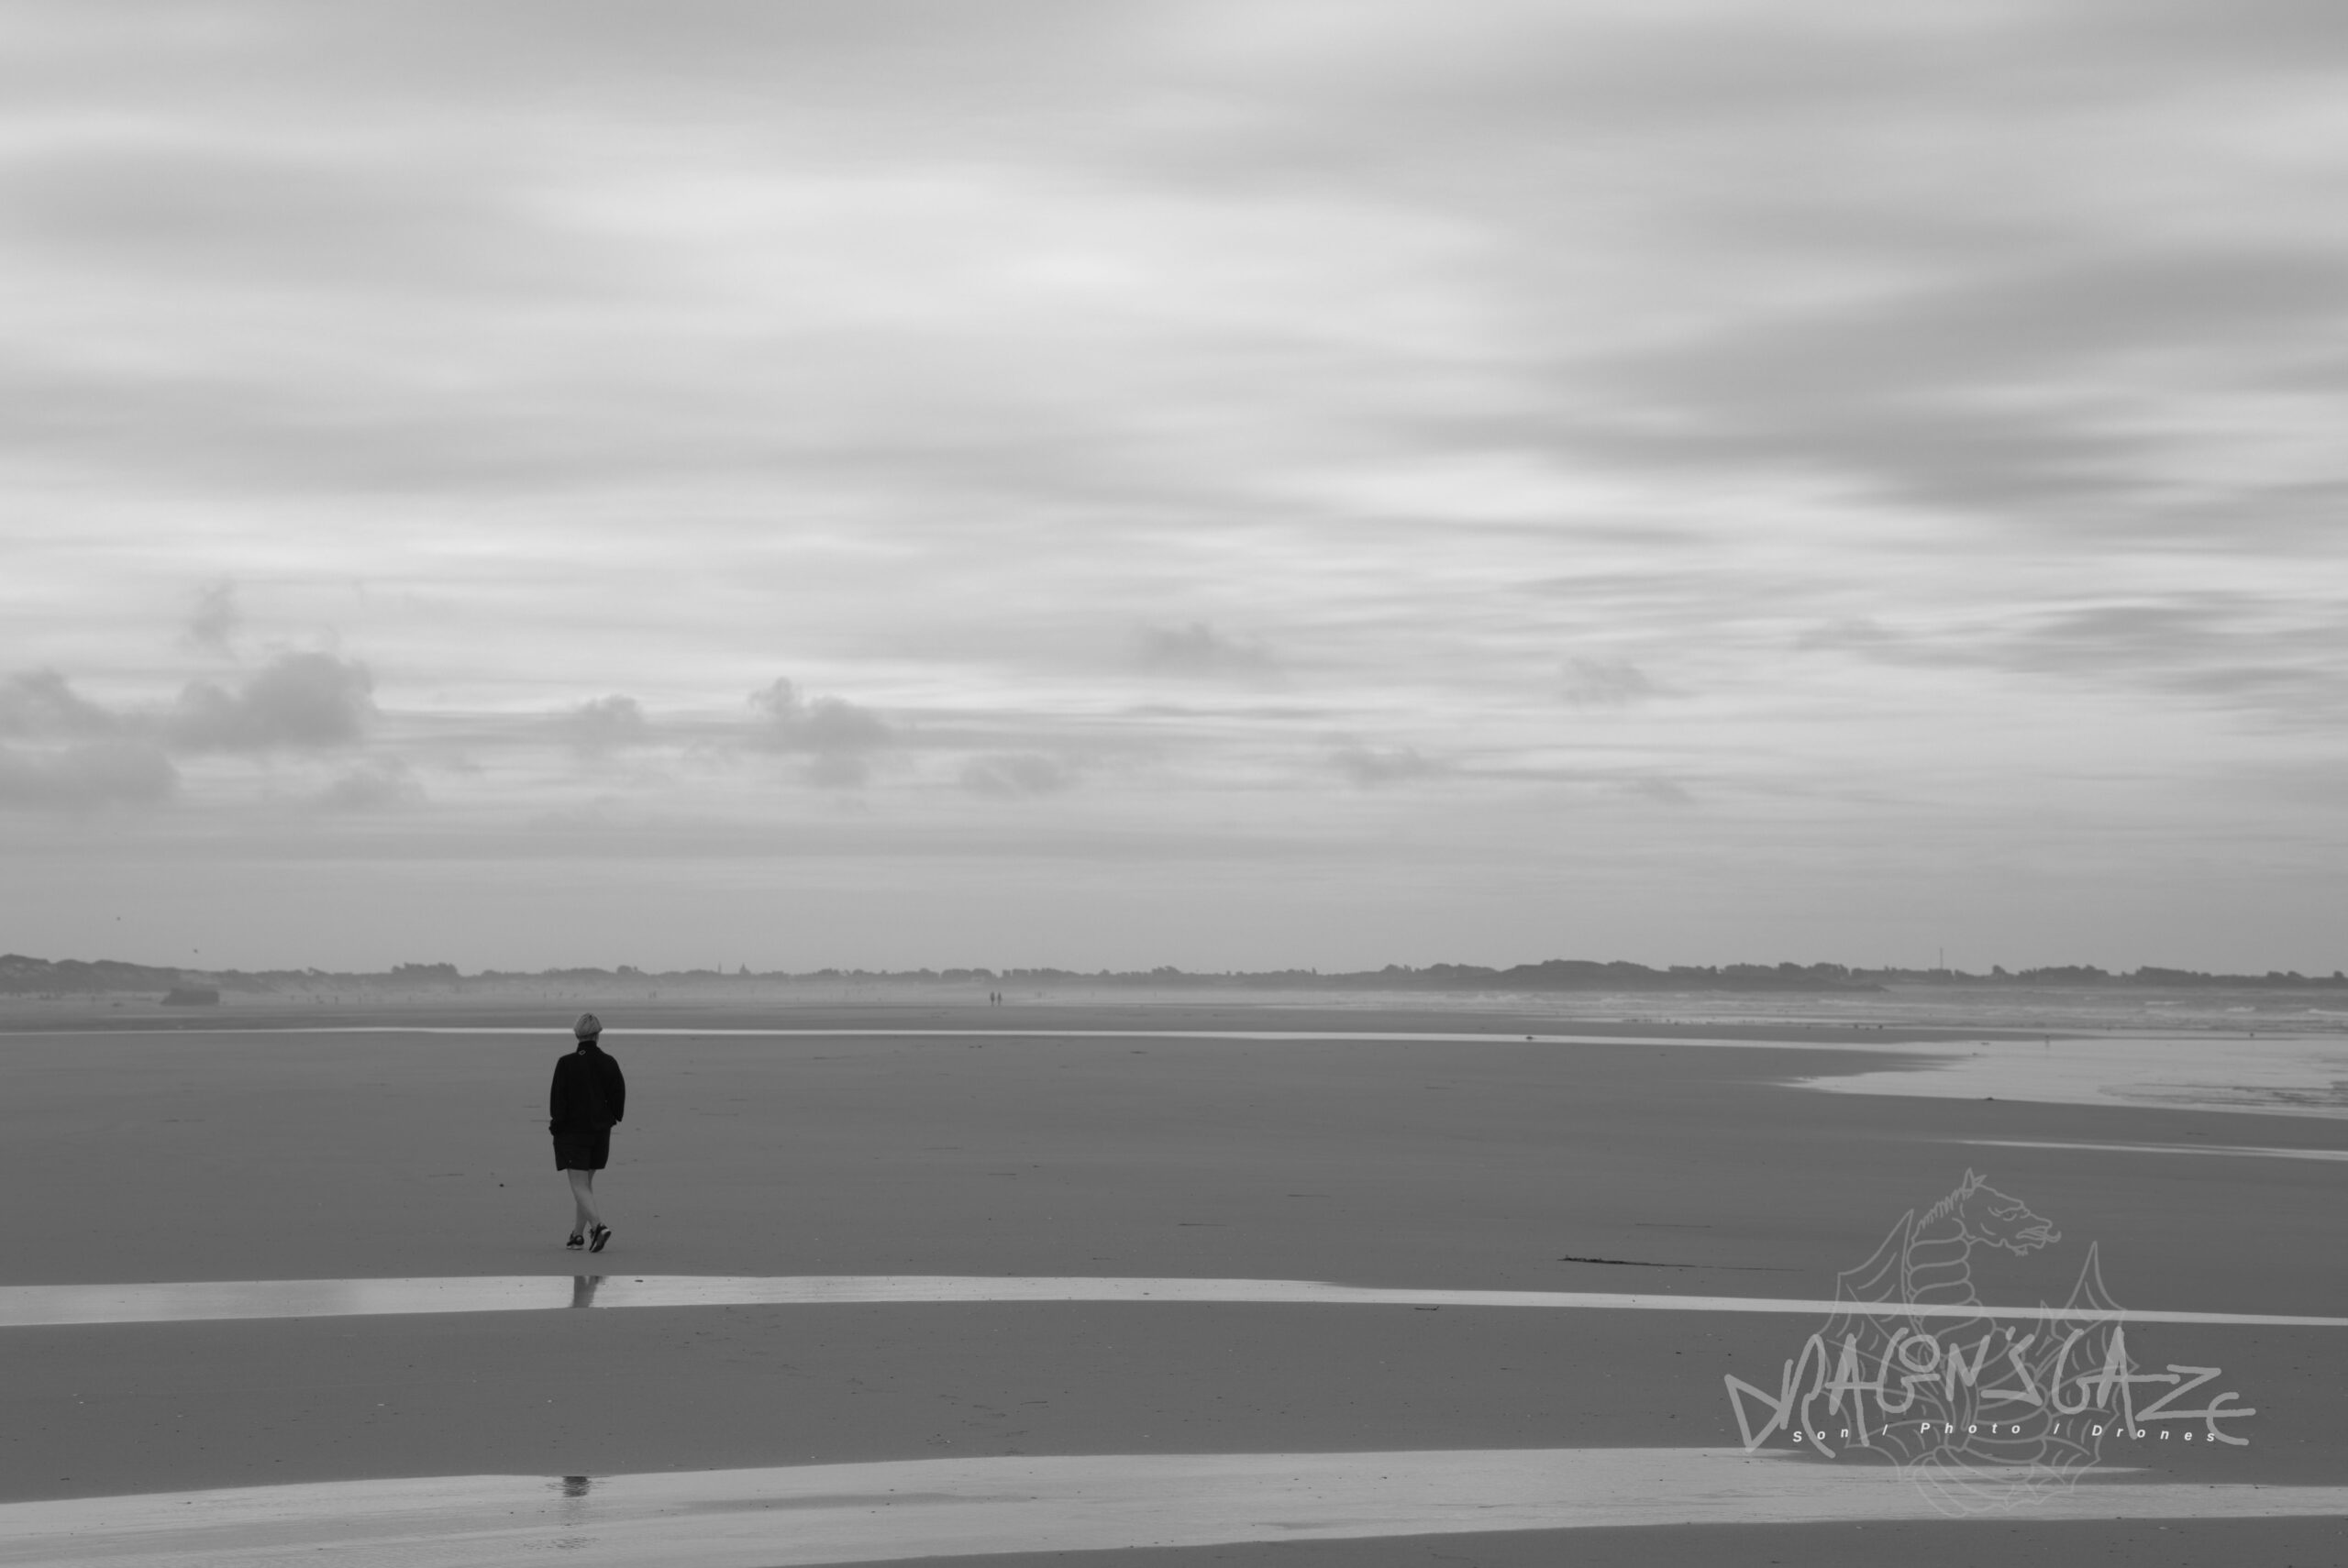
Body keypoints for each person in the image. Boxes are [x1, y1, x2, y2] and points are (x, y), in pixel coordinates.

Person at [549, 1012, 626, 1253]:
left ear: (577, 1034)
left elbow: (557, 1101)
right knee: (585, 1187)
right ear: (597, 1034)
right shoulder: (609, 1062)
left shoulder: (566, 1063)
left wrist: (556, 1127)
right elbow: (618, 1095)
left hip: (573, 1132)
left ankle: (598, 1227)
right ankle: (577, 1236)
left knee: (579, 1185)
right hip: (600, 1132)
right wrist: (612, 1117)